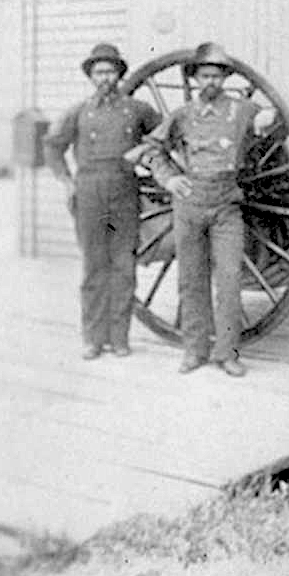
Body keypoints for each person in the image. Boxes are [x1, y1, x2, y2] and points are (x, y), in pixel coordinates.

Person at [145, 42, 256, 377]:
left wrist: (268, 122)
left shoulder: (242, 110)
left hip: (226, 205)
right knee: (191, 280)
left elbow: (272, 121)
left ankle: (227, 353)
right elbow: (152, 149)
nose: (211, 82)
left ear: (224, 79)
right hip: (190, 203)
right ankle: (194, 351)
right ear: (194, 79)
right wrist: (169, 179)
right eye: (205, 75)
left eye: (217, 76)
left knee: (230, 279)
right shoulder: (181, 116)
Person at [43, 43, 161, 359]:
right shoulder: (78, 112)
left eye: (110, 71)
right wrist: (66, 182)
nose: (105, 77)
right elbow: (52, 146)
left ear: (119, 74)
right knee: (94, 267)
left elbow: (163, 134)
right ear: (91, 76)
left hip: (124, 190)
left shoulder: (137, 110)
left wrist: (145, 152)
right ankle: (93, 338)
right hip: (89, 192)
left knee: (123, 265)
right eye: (99, 72)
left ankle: (119, 338)